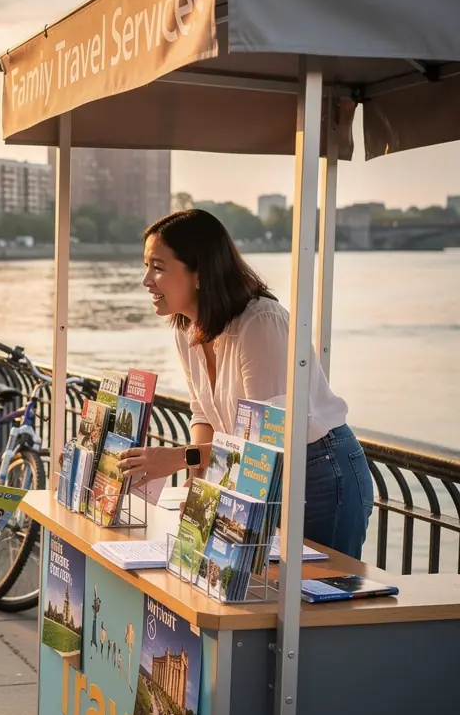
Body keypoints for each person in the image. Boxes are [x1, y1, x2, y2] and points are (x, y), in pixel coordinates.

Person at [119, 209, 374, 558]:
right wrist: (197, 482)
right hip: (253, 475)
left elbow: (268, 442)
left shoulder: (260, 324)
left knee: (317, 599)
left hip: (318, 474)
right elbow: (203, 414)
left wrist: (179, 458)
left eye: (158, 267)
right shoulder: (187, 329)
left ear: (199, 274)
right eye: (146, 265)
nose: (146, 279)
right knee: (261, 592)